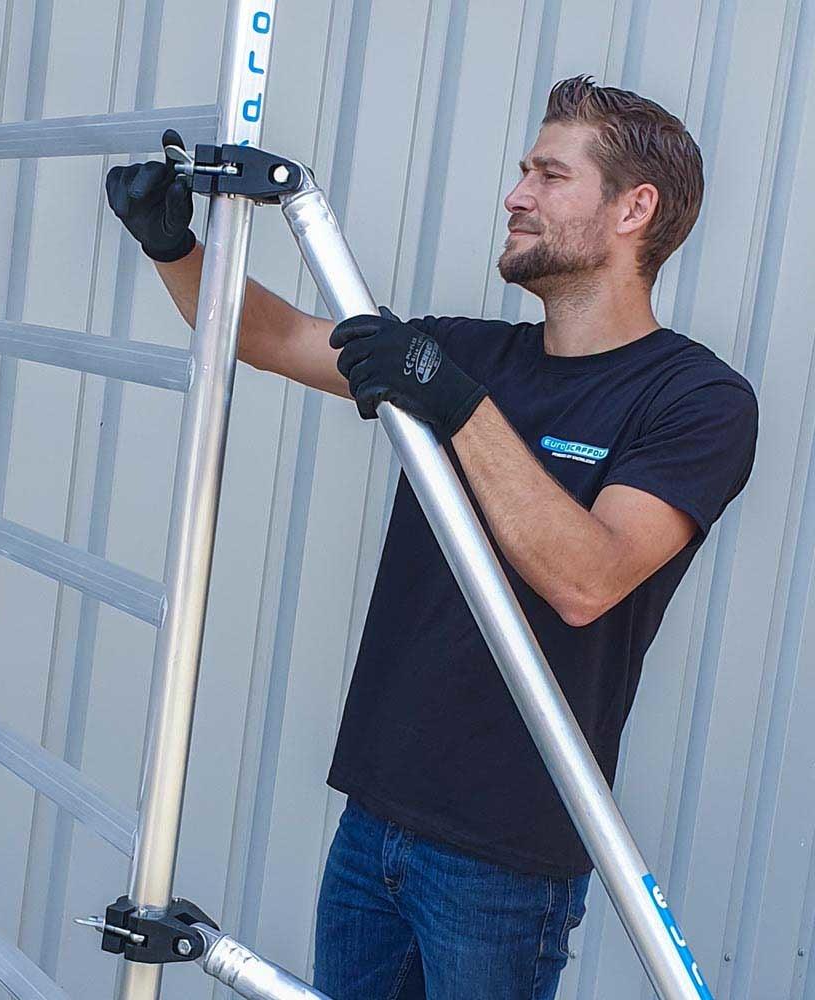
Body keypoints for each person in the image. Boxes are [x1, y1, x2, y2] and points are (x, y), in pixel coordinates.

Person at [106, 75, 758, 1000]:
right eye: (524, 171)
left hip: (506, 858)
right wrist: (173, 248)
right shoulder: (468, 353)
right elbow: (276, 336)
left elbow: (588, 578)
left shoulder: (695, 399)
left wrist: (457, 405)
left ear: (633, 209)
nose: (517, 194)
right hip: (375, 819)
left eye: (550, 175)